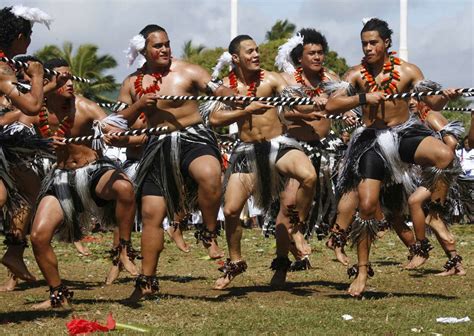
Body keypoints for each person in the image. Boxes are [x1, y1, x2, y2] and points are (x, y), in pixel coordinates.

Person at [325, 18, 460, 297]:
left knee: (445, 155)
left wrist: (444, 96)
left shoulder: (407, 71)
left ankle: (434, 214)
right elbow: (331, 103)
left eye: (373, 42)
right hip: (371, 141)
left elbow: (433, 102)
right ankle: (362, 272)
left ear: (386, 43)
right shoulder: (356, 76)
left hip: (404, 133)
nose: (368, 48)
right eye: (364, 43)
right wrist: (363, 99)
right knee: (367, 205)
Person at [117, 24, 233, 301]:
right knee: (151, 215)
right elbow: (119, 122)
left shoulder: (188, 70)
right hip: (157, 145)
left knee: (209, 173)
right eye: (158, 46)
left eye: (167, 44)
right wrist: (138, 108)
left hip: (194, 137)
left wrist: (232, 95)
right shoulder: (132, 83)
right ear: (143, 50)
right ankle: (147, 280)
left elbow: (217, 88)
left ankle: (208, 232)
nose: (165, 49)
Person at [208, 34, 318, 289]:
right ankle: (235, 261)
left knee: (309, 176)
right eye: (249, 51)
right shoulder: (227, 86)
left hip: (278, 145)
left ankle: (296, 228)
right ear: (236, 58)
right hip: (247, 151)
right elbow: (214, 119)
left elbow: (294, 103)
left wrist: (312, 103)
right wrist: (246, 110)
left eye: (257, 50)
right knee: (232, 210)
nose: (256, 55)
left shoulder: (272, 79)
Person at [29, 58, 137, 309]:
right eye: (62, 78)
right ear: (47, 82)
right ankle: (58, 294)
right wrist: (41, 144)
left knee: (124, 187)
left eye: (71, 76)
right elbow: (14, 128)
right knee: (38, 236)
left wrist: (113, 134)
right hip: (61, 177)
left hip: (92, 171)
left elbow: (111, 124)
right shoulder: (37, 111)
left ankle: (123, 248)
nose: (70, 82)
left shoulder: (84, 106)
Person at [0, 6, 52, 286]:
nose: (29, 43)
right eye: (29, 36)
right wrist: (36, 75)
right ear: (20, 37)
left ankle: (15, 253)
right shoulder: (2, 68)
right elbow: (32, 106)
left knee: (32, 187)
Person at [406, 99, 466, 275]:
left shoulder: (431, 116)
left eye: (415, 98)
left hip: (443, 173)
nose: (410, 102)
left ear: (425, 101)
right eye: (408, 98)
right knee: (435, 219)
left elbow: (452, 142)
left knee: (415, 201)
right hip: (439, 172)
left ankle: (421, 250)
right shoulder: (421, 118)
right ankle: (456, 265)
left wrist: (442, 167)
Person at [456, 136, 474, 224]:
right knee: (465, 198)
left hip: (473, 177)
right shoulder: (459, 152)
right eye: (465, 143)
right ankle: (471, 218)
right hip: (463, 179)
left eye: (469, 143)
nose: (467, 144)